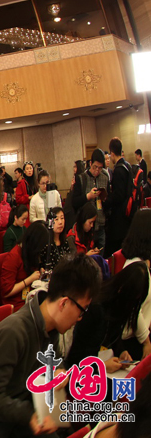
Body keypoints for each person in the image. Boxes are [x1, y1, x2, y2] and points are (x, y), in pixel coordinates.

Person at [0, 253, 102, 438]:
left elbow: (56, 362)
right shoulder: (14, 332)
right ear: (64, 303)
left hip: (25, 413)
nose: (80, 318)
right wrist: (30, 415)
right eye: (82, 310)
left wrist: (60, 370)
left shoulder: (51, 328)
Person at [66, 263, 149, 376]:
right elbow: (76, 357)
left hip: (99, 365)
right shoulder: (95, 309)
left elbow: (113, 336)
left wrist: (121, 351)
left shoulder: (118, 308)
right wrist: (102, 366)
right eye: (131, 300)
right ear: (122, 290)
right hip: (82, 375)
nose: (132, 306)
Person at [120, 210, 151, 359]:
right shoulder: (135, 267)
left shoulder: (143, 263)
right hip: (134, 341)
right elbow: (134, 309)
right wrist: (146, 341)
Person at [1, 222, 50, 311]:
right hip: (17, 303)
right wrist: (30, 279)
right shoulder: (14, 257)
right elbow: (7, 292)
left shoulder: (29, 253)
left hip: (30, 296)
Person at [70, 149, 110, 254]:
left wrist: (104, 198)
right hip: (86, 229)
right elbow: (74, 202)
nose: (97, 171)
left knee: (100, 257)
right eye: (95, 167)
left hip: (100, 224)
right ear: (90, 163)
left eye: (100, 168)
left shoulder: (105, 178)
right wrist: (88, 196)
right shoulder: (81, 178)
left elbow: (109, 202)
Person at [106, 137, 135, 257]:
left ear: (112, 153)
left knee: (115, 248)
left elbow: (118, 195)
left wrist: (106, 201)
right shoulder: (128, 166)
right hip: (129, 212)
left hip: (120, 216)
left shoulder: (118, 170)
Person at [44, 206, 75, 270]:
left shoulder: (65, 241)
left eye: (62, 218)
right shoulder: (46, 244)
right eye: (56, 219)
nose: (60, 222)